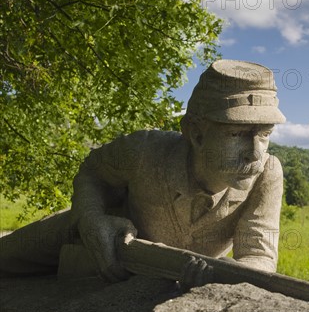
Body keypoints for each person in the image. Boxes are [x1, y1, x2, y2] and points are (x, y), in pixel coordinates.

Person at [0, 60, 285, 282]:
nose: (255, 153)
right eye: (237, 135)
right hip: (97, 241)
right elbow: (93, 171)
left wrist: (227, 275)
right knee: (9, 256)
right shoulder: (143, 150)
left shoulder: (267, 173)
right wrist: (90, 219)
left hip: (156, 277)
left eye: (264, 134)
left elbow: (258, 255)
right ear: (196, 134)